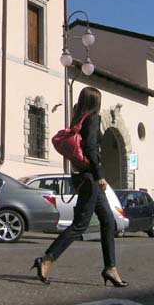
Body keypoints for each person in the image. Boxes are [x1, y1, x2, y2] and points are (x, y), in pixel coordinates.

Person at [31, 86, 128, 287]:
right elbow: (91, 149)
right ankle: (46, 260)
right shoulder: (92, 118)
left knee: (108, 221)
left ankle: (110, 268)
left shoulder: (78, 118)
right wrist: (100, 176)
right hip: (90, 179)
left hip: (84, 177)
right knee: (80, 225)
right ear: (95, 102)